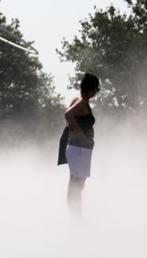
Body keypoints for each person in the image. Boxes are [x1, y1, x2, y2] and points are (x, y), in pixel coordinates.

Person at [62, 73, 99, 217]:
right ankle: (76, 218)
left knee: (79, 183)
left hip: (81, 148)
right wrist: (79, 132)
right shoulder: (82, 101)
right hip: (79, 148)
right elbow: (68, 115)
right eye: (97, 89)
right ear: (92, 89)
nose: (97, 92)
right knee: (76, 184)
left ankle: (77, 215)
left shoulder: (80, 99)